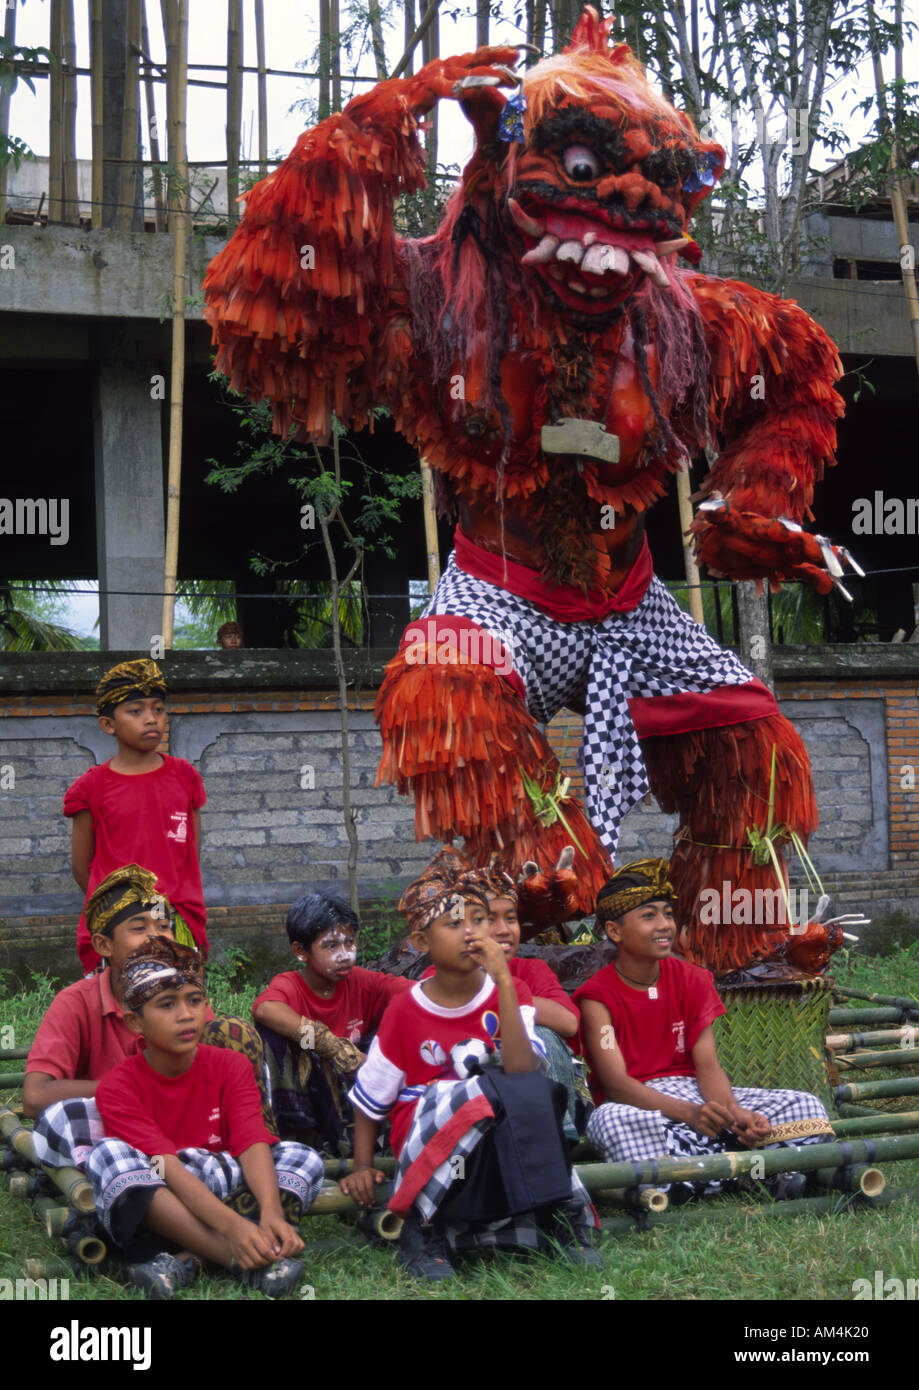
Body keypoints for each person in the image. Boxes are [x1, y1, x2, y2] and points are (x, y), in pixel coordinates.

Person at [340, 849, 599, 1281]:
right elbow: (371, 1100)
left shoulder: (509, 988)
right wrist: (363, 1166)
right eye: (454, 923)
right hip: (432, 1142)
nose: (471, 933)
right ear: (422, 942)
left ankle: (559, 1217)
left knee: (532, 1087)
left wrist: (503, 984)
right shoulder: (406, 1009)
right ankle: (425, 1232)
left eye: (477, 920)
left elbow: (521, 1072)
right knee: (457, 1089)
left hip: (490, 1138)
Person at [76, 937, 323, 1298]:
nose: (185, 1014)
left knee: (303, 1157)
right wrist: (234, 1230)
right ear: (134, 1021)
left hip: (228, 1184)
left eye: (194, 1000)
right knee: (109, 1156)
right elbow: (164, 1166)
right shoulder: (118, 1086)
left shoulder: (230, 1065)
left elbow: (251, 1139)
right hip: (165, 1193)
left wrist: (272, 1212)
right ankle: (236, 1256)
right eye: (166, 1005)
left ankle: (190, 1258)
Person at [575, 859, 835, 1200]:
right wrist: (692, 1115)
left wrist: (733, 1114)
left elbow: (707, 1066)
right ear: (614, 931)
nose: (665, 925)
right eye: (649, 915)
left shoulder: (692, 980)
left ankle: (704, 1175)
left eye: (667, 914)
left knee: (806, 1106)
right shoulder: (597, 996)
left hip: (699, 1098)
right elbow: (617, 1085)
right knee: (609, 1121)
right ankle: (757, 1171)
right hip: (645, 1108)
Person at [27, 865, 274, 1162]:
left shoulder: (185, 995)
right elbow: (35, 1097)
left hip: (180, 1119)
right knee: (68, 1116)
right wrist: (134, 1089)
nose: (156, 937)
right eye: (139, 928)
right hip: (118, 1127)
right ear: (104, 945)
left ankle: (250, 1155)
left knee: (233, 1035)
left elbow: (209, 1073)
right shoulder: (75, 1003)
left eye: (163, 926)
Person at [65, 659, 208, 972]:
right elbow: (81, 867)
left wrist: (166, 907)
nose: (151, 719)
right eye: (136, 711)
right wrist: (119, 911)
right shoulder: (91, 786)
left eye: (158, 709)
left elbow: (189, 852)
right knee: (118, 1008)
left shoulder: (184, 776)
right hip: (116, 920)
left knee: (174, 1007)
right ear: (108, 724)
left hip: (172, 914)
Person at [252, 893, 410, 1153]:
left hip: (356, 1101)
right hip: (308, 1103)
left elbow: (417, 995)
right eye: (331, 946)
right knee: (272, 1037)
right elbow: (265, 1009)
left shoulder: (362, 982)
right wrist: (331, 1045)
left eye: (349, 942)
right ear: (301, 951)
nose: (346, 955)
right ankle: (298, 1143)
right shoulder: (290, 985)